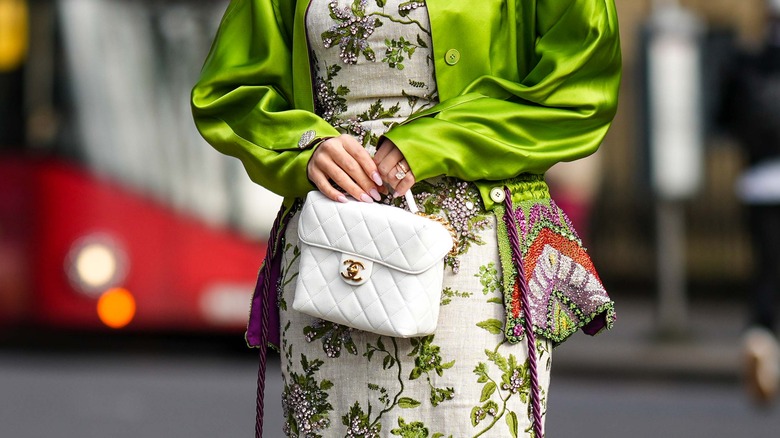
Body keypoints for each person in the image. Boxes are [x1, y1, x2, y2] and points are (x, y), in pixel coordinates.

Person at [192, 0, 621, 436]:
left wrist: (438, 140)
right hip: (332, 259)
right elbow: (230, 93)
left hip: (474, 266)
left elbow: (580, 92)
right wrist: (304, 146)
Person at [722, 0, 780, 407]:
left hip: (758, 184)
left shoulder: (745, 63)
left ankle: (761, 338)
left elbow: (723, 119)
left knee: (766, 270)